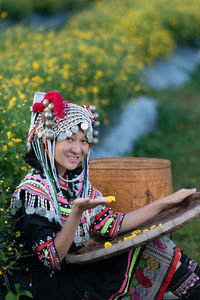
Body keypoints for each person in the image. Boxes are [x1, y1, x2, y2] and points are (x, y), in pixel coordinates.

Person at [7, 91, 200, 299]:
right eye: (69, 139)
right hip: (46, 284)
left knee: (156, 244)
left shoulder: (76, 184)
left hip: (75, 269)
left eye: (83, 141)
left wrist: (167, 203)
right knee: (149, 252)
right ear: (47, 140)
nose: (77, 149)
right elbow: (52, 258)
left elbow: (115, 223)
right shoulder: (32, 192)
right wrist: (76, 213)